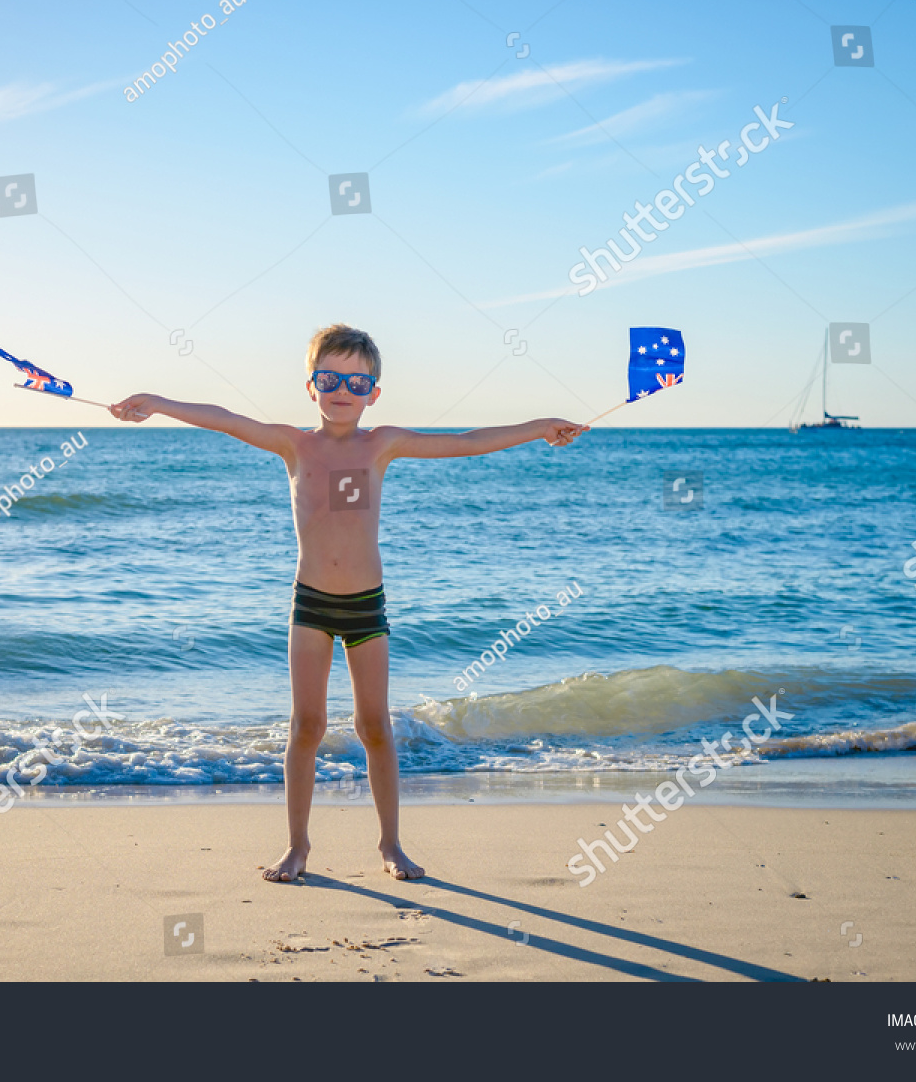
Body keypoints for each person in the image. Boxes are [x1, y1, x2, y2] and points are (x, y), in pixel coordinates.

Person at [110, 324, 584, 881]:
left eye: (356, 381)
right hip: (309, 605)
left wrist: (539, 428)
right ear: (310, 385)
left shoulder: (382, 443)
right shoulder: (294, 443)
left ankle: (390, 845)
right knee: (305, 727)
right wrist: (159, 403)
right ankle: (297, 847)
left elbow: (466, 441)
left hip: (366, 606)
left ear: (373, 393)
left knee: (374, 726)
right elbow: (226, 418)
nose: (342, 390)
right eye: (329, 378)